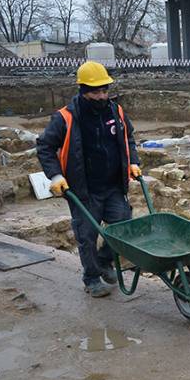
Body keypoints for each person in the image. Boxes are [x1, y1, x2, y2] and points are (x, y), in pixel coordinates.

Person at [36, 61, 141, 297]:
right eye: (95, 91)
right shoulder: (66, 117)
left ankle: (104, 262)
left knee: (123, 226)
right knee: (87, 236)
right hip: (84, 191)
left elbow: (129, 138)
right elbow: (44, 146)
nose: (102, 96)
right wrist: (55, 176)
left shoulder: (116, 111)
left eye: (105, 90)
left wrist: (133, 161)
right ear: (83, 90)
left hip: (113, 186)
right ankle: (91, 278)